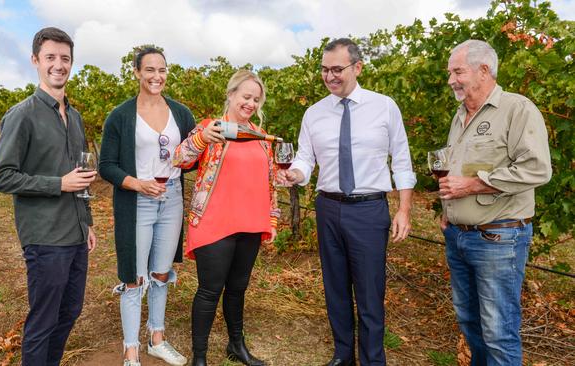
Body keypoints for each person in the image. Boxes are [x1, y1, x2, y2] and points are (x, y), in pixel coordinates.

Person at [277, 38, 416, 366]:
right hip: (328, 208)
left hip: (369, 210)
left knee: (370, 293)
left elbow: (403, 161)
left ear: (357, 67)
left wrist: (405, 209)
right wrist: (295, 175)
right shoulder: (314, 113)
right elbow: (305, 158)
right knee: (335, 288)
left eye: (337, 69)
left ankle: (371, 359)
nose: (329, 76)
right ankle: (343, 355)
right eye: (325, 70)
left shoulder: (384, 106)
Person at [0, 27, 97, 365]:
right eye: (50, 57)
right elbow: (0, 176)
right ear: (36, 61)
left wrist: (88, 222)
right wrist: (57, 184)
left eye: (65, 58)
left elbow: (80, 177)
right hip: (45, 237)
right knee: (43, 320)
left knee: (70, 312)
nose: (58, 64)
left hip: (76, 234)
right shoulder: (22, 116)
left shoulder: (75, 117)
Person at [439, 39, 551, 365]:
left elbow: (536, 169)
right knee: (470, 322)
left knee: (498, 330)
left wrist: (472, 185)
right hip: (458, 236)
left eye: (457, 71)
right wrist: (449, 212)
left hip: (498, 238)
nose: (451, 80)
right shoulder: (459, 115)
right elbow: (455, 174)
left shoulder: (517, 109)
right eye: (450, 73)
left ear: (484, 70)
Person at [173, 69, 280, 366]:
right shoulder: (211, 127)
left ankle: (236, 346)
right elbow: (179, 159)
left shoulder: (261, 137)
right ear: (231, 95)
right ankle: (200, 358)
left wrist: (271, 219)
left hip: (250, 223)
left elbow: (270, 181)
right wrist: (201, 139)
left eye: (256, 99)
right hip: (214, 222)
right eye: (246, 96)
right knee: (209, 290)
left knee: (238, 288)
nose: (250, 103)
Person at [99, 47, 195, 366]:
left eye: (162, 70)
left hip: (171, 202)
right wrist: (138, 183)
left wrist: (204, 144)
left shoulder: (180, 113)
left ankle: (156, 338)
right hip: (137, 202)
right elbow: (107, 166)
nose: (157, 76)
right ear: (137, 72)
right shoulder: (121, 115)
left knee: (161, 273)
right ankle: (131, 350)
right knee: (133, 277)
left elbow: (192, 159)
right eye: (150, 70)